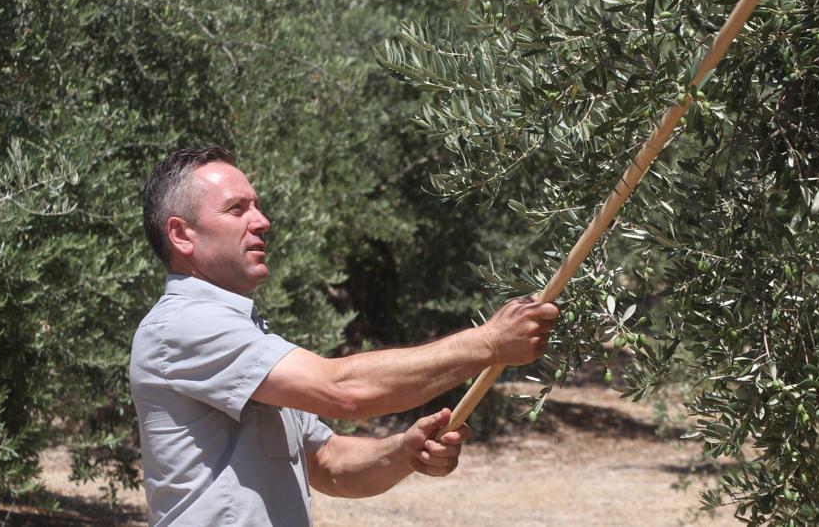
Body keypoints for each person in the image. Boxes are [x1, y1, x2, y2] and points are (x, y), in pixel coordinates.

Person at [130, 146, 559, 526]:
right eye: (236, 209)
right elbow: (344, 391)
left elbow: (329, 463)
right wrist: (488, 343)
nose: (262, 221)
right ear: (181, 234)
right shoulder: (184, 325)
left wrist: (404, 451)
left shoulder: (244, 336)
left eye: (257, 206)